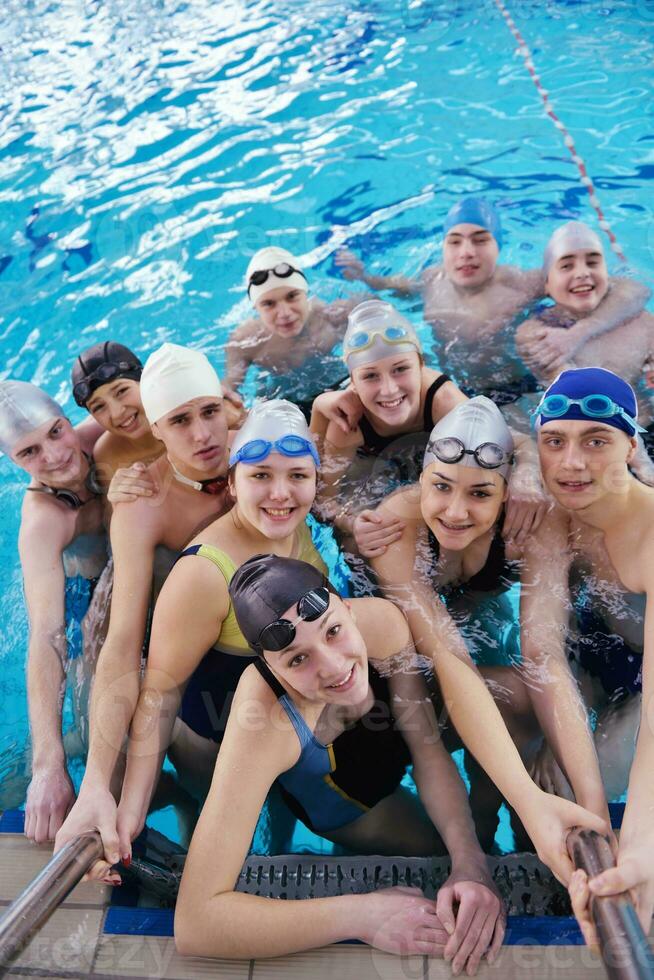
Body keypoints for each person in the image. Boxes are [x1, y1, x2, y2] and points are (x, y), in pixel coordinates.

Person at [170, 554, 506, 971]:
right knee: (431, 849)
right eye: (297, 659)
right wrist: (361, 916)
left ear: (348, 609)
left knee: (510, 710)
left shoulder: (381, 624)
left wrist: (471, 864)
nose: (333, 667)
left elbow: (427, 751)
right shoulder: (264, 722)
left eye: (333, 632)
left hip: (386, 734)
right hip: (343, 795)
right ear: (269, 666)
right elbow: (196, 923)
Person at [354, 397, 608, 876]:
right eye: (442, 487)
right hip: (391, 667)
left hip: (472, 604)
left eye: (480, 494)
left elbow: (546, 652)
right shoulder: (396, 523)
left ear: (508, 494)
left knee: (521, 697)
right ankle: (485, 827)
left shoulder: (533, 519)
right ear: (421, 480)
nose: (455, 511)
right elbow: (449, 659)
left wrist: (595, 813)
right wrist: (528, 796)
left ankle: (493, 818)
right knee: (486, 693)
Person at [78, 399, 329, 876]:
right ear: (232, 485)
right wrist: (129, 808)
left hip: (280, 723)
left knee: (277, 819)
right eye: (260, 476)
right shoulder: (202, 572)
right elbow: (159, 694)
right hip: (209, 735)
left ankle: (275, 849)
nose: (281, 492)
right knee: (216, 822)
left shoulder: (292, 524)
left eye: (297, 476)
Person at [54, 342, 235, 858]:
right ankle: (93, 764)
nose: (118, 413)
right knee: (112, 647)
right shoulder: (114, 458)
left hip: (201, 589)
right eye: (99, 408)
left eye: (122, 394)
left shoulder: (235, 432)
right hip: (147, 577)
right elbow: (126, 555)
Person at [526, 367, 654, 938]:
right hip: (600, 656)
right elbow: (542, 651)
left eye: (595, 441)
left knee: (586, 774)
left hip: (643, 682)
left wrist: (632, 842)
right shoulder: (557, 522)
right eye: (554, 442)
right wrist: (589, 799)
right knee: (546, 770)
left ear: (631, 444)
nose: (571, 464)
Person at [336, 198, 649, 420]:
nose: (467, 253)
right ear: (444, 246)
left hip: (513, 386)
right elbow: (398, 288)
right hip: (449, 385)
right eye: (455, 241)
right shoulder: (432, 279)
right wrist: (365, 278)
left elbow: (633, 290)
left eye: (480, 239)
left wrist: (581, 332)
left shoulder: (522, 283)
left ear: (497, 245)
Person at [0, 381, 107, 842]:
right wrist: (49, 764)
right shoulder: (43, 521)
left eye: (56, 433)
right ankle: (30, 768)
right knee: (97, 719)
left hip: (143, 567)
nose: (54, 456)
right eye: (29, 452)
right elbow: (47, 634)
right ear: (12, 462)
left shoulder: (104, 436)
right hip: (84, 596)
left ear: (68, 420)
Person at [516, 220, 654, 459]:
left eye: (593, 262)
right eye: (566, 266)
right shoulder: (536, 333)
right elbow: (575, 401)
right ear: (547, 284)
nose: (582, 273)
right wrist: (642, 464)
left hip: (644, 429)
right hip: (588, 446)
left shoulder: (642, 321)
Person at [225, 246, 363, 417]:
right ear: (256, 307)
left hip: (340, 386)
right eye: (269, 304)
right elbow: (229, 390)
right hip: (282, 403)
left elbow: (395, 305)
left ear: (305, 292)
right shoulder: (245, 342)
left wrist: (365, 277)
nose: (285, 313)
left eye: (292, 296)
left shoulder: (334, 316)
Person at [71, 341, 163, 484]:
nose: (116, 413)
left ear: (144, 379)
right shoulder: (108, 456)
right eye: (99, 407)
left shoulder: (188, 410)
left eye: (121, 391)